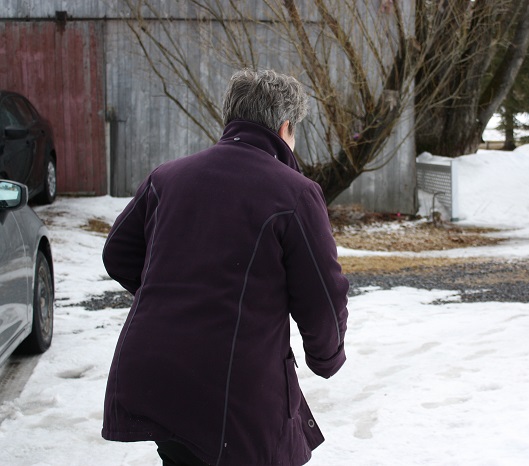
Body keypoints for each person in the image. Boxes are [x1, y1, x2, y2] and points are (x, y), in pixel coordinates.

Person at [101, 69, 349, 466]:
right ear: (285, 127)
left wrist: (174, 297)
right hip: (233, 390)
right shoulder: (294, 192)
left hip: (155, 377)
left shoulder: (167, 177)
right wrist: (327, 357)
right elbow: (322, 295)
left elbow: (118, 254)